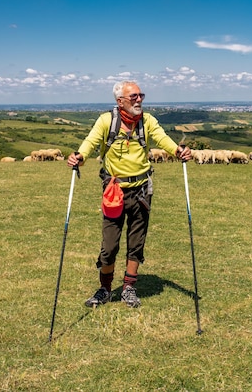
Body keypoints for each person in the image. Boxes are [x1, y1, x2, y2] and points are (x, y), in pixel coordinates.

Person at [67, 80, 191, 308]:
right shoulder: (107, 121)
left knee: (136, 242)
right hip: (114, 190)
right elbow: (90, 142)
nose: (139, 100)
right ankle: (105, 289)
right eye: (133, 97)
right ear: (120, 101)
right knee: (110, 245)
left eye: (141, 95)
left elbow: (162, 138)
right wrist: (80, 157)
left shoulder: (147, 121)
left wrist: (176, 150)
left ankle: (129, 288)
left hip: (142, 189)